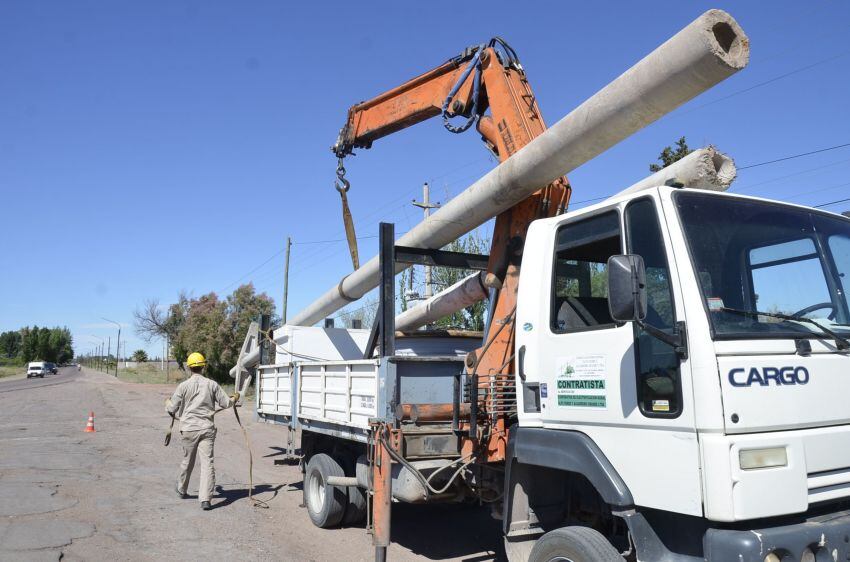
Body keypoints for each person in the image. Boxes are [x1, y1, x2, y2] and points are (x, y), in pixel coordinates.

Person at [165, 352, 239, 510]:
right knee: (207, 464)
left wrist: (167, 402)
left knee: (187, 461)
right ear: (203, 366)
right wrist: (235, 398)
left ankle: (182, 489)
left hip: (188, 430)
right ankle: (205, 499)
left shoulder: (183, 386)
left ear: (189, 367)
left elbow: (172, 408)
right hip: (206, 429)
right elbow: (226, 403)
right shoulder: (211, 384)